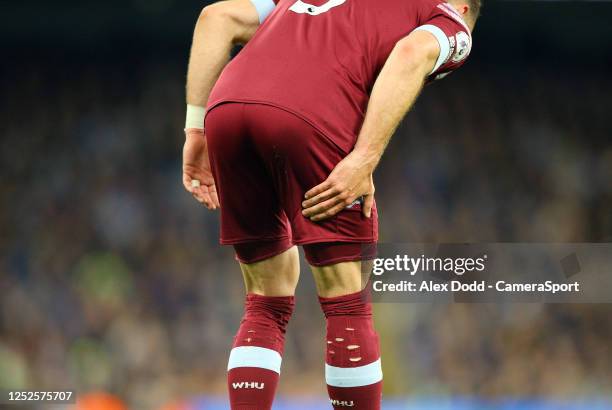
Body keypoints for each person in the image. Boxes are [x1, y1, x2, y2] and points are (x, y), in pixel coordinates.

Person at [182, 0, 480, 408]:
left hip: (226, 109)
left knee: (266, 300)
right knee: (347, 303)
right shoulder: (450, 20)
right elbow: (411, 54)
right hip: (307, 116)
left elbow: (215, 18)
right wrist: (363, 157)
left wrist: (196, 130)